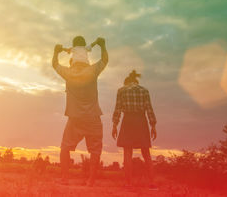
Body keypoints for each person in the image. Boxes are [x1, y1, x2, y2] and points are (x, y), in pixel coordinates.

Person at [52, 37, 108, 186]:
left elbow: (55, 64)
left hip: (75, 118)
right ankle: (91, 180)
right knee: (95, 150)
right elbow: (105, 60)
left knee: (65, 148)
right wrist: (102, 46)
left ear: (73, 60)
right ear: (86, 58)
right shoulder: (93, 71)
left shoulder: (69, 73)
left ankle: (65, 178)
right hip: (93, 118)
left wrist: (56, 51)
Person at [112, 70, 157, 188]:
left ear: (126, 82)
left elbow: (118, 109)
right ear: (136, 81)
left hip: (128, 120)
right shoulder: (144, 91)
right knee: (146, 152)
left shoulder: (121, 90)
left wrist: (114, 125)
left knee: (127, 152)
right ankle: (152, 182)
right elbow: (149, 109)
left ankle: (128, 183)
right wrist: (153, 125)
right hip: (141, 121)